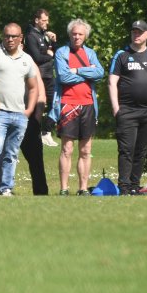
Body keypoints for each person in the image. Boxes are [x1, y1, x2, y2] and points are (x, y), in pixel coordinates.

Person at [0, 23, 38, 196]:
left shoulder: (27, 59)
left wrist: (29, 110)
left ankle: (5, 188)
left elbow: (33, 87)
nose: (10, 39)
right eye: (6, 36)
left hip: (19, 115)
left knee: (11, 154)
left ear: (21, 38)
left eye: (14, 36)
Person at [108, 20, 147, 195]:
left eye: (140, 32)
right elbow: (112, 81)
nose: (136, 35)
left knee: (141, 150)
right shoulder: (121, 55)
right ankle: (124, 187)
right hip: (127, 111)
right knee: (126, 150)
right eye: (134, 32)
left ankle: (134, 186)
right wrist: (116, 109)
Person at [49, 18, 105, 196]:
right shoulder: (61, 52)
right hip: (67, 104)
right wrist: (88, 73)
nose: (77, 37)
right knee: (67, 149)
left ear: (85, 36)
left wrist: (77, 71)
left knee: (86, 150)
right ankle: (64, 188)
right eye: (74, 34)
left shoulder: (90, 53)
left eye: (80, 34)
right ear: (69, 35)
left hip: (88, 106)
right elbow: (63, 78)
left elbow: (100, 72)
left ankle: (82, 188)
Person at [24, 9, 58, 147]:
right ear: (36, 20)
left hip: (50, 75)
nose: (46, 23)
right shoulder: (31, 36)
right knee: (37, 105)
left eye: (47, 20)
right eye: (44, 20)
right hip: (38, 76)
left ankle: (46, 132)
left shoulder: (45, 34)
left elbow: (55, 52)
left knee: (56, 103)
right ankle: (33, 134)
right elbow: (36, 58)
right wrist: (49, 56)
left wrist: (54, 41)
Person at [19, 56, 49, 195]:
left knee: (36, 160)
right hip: (7, 116)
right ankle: (1, 189)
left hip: (29, 118)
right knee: (3, 157)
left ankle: (41, 193)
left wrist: (37, 117)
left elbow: (41, 93)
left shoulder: (29, 62)